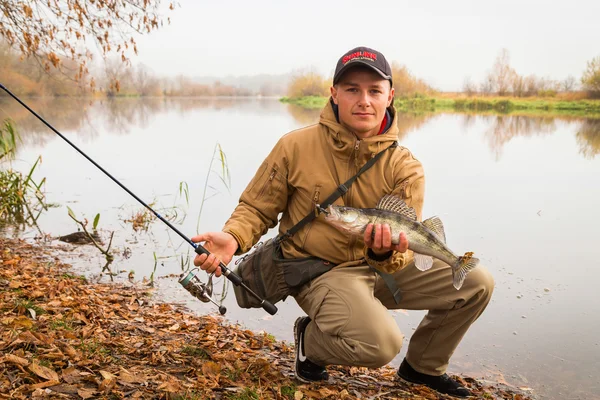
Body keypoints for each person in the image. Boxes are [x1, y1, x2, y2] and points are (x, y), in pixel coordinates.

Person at [192, 46, 494, 398]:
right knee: (381, 344)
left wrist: (384, 255)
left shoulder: (405, 166)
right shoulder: (295, 146)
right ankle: (310, 341)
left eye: (374, 91)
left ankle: (422, 367)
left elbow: (405, 251)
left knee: (477, 282)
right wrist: (233, 237)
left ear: (389, 96)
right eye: (352, 89)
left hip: (381, 267)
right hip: (321, 270)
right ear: (334, 94)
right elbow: (257, 207)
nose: (363, 100)